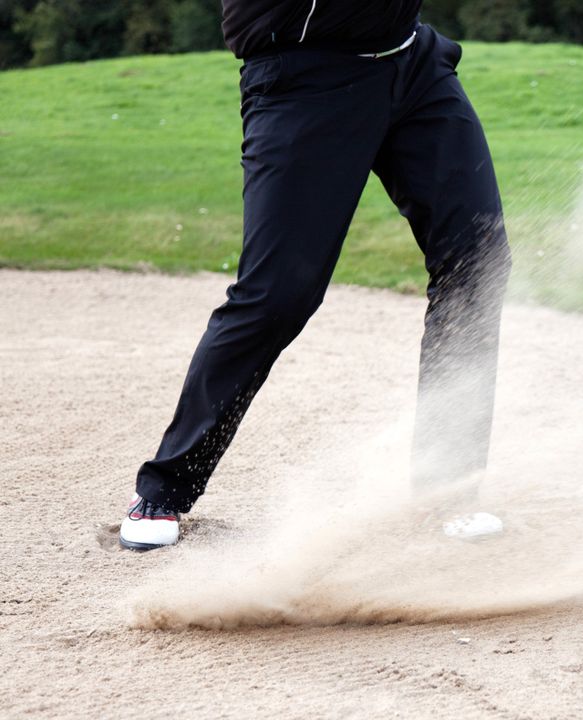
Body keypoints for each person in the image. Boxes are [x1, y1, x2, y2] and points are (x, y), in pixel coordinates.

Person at [118, 1, 511, 551]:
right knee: (278, 294)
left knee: (478, 262)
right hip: (305, 77)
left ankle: (448, 488)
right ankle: (165, 488)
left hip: (412, 64)